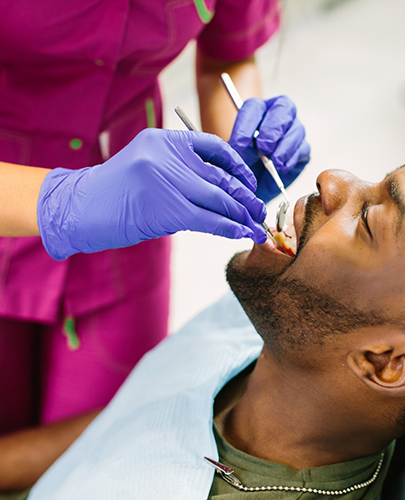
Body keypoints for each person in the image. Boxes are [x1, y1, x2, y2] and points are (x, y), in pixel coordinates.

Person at [17, 162, 405, 500]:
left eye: (367, 220)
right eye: (376, 181)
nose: (332, 180)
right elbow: (140, 419)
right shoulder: (287, 325)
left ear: (386, 362)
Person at [0, 0, 311, 489]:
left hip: (133, 214)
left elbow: (227, 56)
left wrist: (237, 134)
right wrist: (64, 200)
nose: (331, 190)